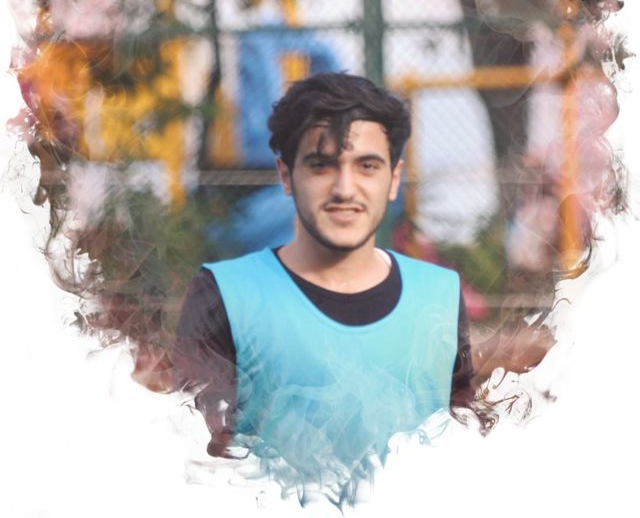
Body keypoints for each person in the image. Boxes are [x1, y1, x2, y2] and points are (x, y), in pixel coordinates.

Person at [173, 72, 474, 489]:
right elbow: (196, 470)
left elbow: (458, 457)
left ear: (394, 179)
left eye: (367, 166)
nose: (345, 188)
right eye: (321, 165)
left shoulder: (439, 295)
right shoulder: (225, 296)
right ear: (285, 175)